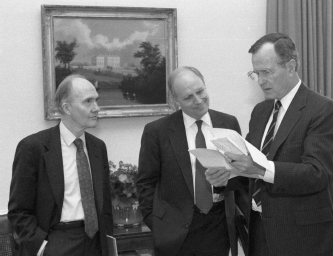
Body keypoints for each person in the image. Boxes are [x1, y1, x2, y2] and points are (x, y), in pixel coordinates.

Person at [225, 33, 333, 256]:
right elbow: (251, 163)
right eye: (256, 73)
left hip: (302, 237)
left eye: (267, 72)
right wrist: (227, 174)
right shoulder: (260, 111)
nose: (261, 80)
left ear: (291, 66)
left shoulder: (322, 110)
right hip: (258, 231)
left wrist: (262, 169)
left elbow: (317, 173)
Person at [136, 66, 245, 256]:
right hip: (174, 231)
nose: (198, 100)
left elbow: (242, 174)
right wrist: (158, 224)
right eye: (188, 97)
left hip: (218, 226)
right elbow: (146, 183)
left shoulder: (229, 123)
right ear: (175, 100)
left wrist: (226, 180)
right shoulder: (157, 132)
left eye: (200, 91)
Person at [8, 74, 113, 256]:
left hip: (95, 241)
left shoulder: (98, 147)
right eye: (88, 101)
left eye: (96, 100)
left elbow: (105, 204)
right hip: (56, 241)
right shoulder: (33, 148)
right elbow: (19, 210)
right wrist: (41, 246)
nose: (96, 108)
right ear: (67, 108)